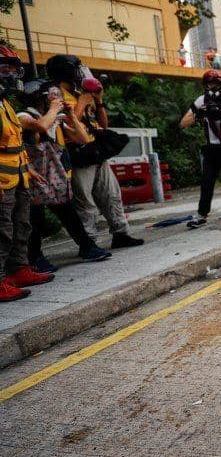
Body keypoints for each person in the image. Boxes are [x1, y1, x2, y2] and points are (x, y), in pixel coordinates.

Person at [45, 55, 144, 248]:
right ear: (66, 72)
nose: (79, 74)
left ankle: (120, 233)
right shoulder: (55, 94)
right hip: (77, 153)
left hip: (94, 150)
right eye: (75, 70)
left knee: (111, 194)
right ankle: (89, 242)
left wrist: (98, 102)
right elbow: (67, 122)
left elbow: (102, 124)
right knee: (85, 202)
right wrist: (81, 103)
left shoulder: (78, 92)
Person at [17, 79, 112, 272]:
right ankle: (35, 258)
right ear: (39, 98)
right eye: (50, 96)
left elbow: (83, 139)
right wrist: (54, 110)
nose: (55, 98)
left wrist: (70, 114)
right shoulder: (23, 115)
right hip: (32, 175)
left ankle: (87, 247)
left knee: (68, 213)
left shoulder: (54, 118)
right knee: (34, 219)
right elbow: (41, 127)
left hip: (52, 176)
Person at [0, 47, 55, 301]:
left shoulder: (6, 105)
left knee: (21, 226)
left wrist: (29, 169)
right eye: (5, 67)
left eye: (13, 67)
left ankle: (18, 269)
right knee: (2, 230)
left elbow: (14, 144)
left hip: (18, 177)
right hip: (3, 181)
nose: (11, 73)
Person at [179, 70, 221, 228]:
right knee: (207, 181)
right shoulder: (201, 100)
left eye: (215, 84)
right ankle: (201, 215)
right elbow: (183, 123)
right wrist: (198, 114)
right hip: (213, 149)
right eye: (209, 84)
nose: (212, 87)